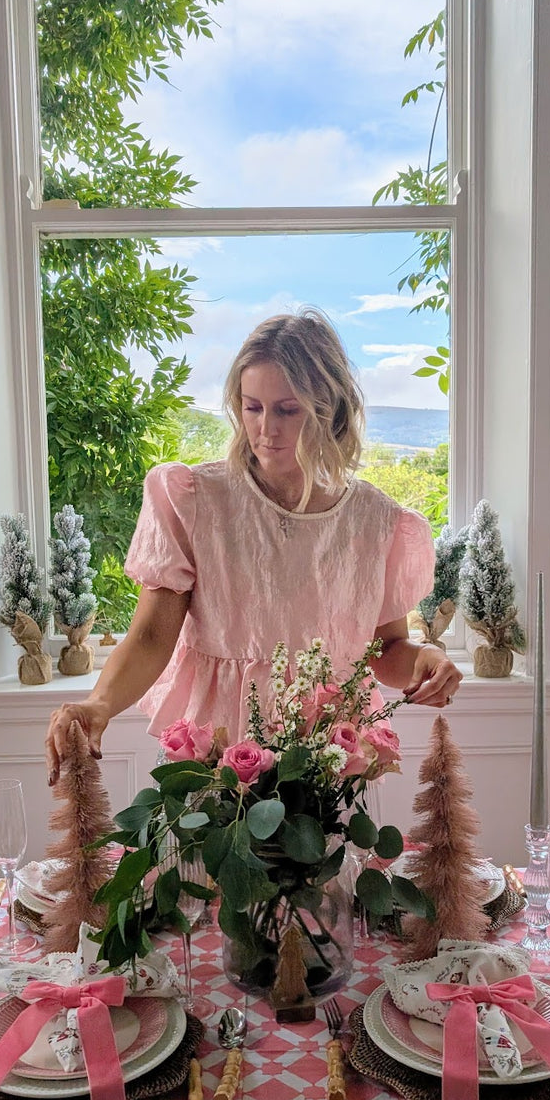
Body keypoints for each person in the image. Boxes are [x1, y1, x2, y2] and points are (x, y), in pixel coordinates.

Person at [46, 309, 462, 781]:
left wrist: (426, 661)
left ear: (332, 409)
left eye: (288, 409)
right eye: (252, 407)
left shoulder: (376, 521)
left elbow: (385, 649)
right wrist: (98, 703)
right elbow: (151, 636)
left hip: (326, 758)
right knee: (207, 858)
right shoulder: (196, 501)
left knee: (329, 859)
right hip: (215, 750)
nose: (266, 428)